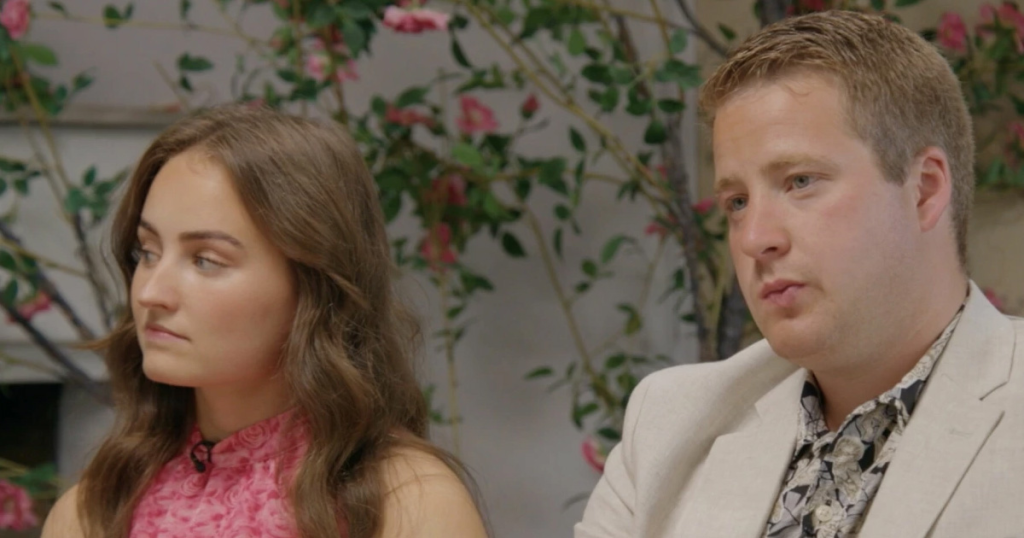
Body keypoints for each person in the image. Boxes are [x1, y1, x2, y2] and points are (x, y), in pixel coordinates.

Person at [576, 10, 1024, 538]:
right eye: (737, 201)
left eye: (800, 181)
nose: (753, 238)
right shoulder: (669, 422)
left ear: (923, 189)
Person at [40, 105, 488, 538]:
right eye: (147, 252)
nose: (149, 292)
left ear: (313, 285)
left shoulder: (406, 503)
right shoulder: (93, 512)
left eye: (205, 260)